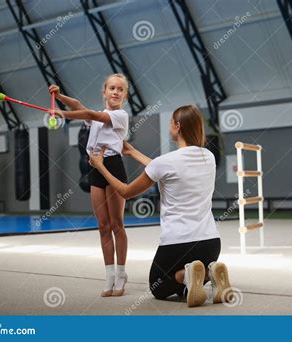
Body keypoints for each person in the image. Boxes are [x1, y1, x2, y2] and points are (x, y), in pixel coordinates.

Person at [89, 104, 233, 307]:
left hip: (178, 244)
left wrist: (101, 166)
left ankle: (189, 275)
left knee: (158, 286)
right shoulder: (208, 157)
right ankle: (209, 273)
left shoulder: (165, 162)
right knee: (187, 278)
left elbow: (126, 191)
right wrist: (133, 152)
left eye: (171, 124)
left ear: (177, 126)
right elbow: (165, 169)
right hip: (211, 244)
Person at [49, 74, 129, 297]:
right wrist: (59, 95)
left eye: (120, 89)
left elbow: (88, 113)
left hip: (112, 166)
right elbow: (79, 106)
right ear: (104, 92)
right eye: (111, 88)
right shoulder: (96, 117)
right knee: (103, 225)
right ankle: (109, 275)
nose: (115, 92)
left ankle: (121, 274)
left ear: (124, 95)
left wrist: (62, 114)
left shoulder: (119, 115)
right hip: (95, 167)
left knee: (117, 225)